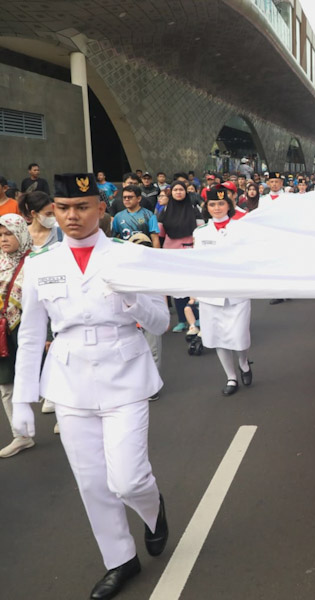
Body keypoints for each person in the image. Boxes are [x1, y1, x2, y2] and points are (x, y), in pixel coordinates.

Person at [11, 173, 170, 598]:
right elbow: (30, 335)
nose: (72, 216)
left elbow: (161, 322)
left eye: (82, 206)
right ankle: (120, 560)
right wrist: (24, 401)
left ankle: (153, 510)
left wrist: (132, 298)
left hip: (125, 374)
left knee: (129, 479)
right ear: (52, 212)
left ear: (102, 208)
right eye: (62, 208)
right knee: (92, 482)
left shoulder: (127, 256)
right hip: (69, 379)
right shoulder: (41, 265)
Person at [192, 185, 252, 396]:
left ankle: (244, 362)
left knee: (239, 336)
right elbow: (197, 263)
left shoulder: (242, 228)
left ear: (229, 205)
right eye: (212, 204)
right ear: (206, 207)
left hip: (237, 290)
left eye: (220, 203)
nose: (217, 208)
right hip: (210, 292)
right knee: (217, 337)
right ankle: (231, 377)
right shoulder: (200, 233)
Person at [0, 215, 33, 458]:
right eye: (0, 235)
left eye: (8, 234)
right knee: (6, 385)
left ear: (20, 233)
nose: (3, 239)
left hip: (29, 327)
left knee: (43, 377)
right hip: (3, 332)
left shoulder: (36, 261)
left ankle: (67, 421)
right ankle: (20, 435)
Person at [158, 180, 203, 332]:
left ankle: (197, 319)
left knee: (192, 287)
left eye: (181, 190)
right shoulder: (164, 211)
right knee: (177, 289)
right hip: (171, 254)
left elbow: (200, 231)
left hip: (190, 253)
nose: (178, 192)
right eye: (176, 190)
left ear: (186, 192)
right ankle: (182, 320)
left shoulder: (194, 209)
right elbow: (160, 234)